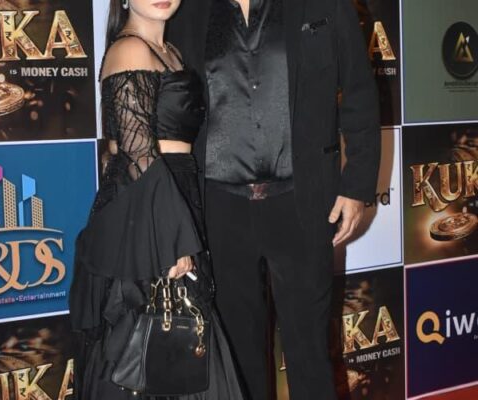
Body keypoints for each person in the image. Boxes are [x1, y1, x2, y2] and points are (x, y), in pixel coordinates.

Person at [167, 0, 381, 399]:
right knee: (238, 357)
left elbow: (359, 91)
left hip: (301, 203)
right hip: (219, 209)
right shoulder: (185, 11)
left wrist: (356, 186)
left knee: (310, 352)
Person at [69, 1, 244, 399]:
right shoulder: (129, 49)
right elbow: (138, 156)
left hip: (174, 199)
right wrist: (170, 237)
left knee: (180, 340)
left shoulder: (171, 52)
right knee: (149, 343)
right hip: (144, 211)